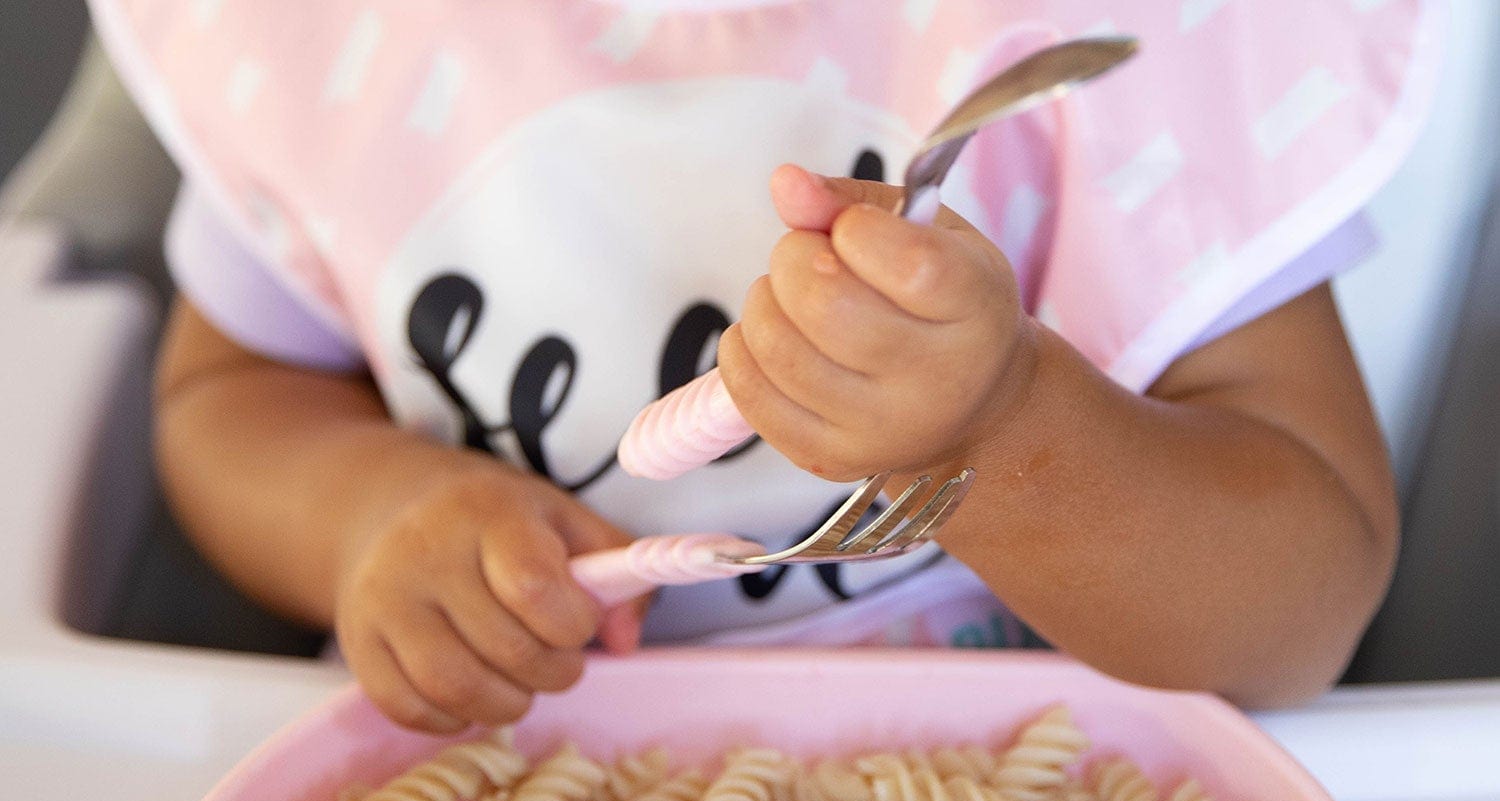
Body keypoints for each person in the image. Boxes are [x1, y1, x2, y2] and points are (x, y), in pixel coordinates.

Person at [88, 0, 1439, 731]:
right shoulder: (331, 41)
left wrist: (1004, 429)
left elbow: (1304, 595)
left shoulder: (1117, 46)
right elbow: (232, 402)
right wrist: (369, 516)